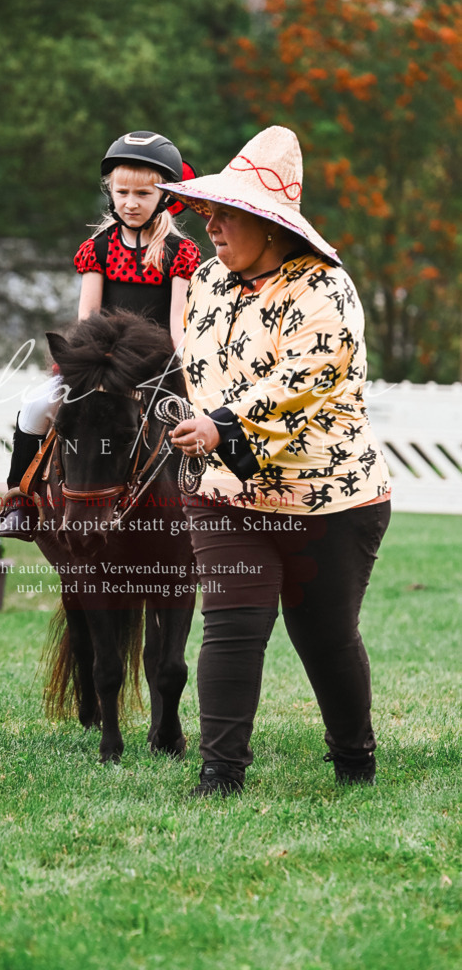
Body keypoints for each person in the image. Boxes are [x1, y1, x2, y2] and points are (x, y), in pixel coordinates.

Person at [159, 125, 391, 796]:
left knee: (325, 635)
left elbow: (304, 381)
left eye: (225, 214)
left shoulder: (325, 289)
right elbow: (198, 371)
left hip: (329, 495)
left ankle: (354, 758)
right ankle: (220, 773)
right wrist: (193, 423)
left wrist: (222, 425)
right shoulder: (207, 280)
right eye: (208, 212)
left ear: (270, 224)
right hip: (225, 490)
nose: (210, 226)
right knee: (232, 624)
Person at [0, 130, 201, 539]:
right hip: (103, 362)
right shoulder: (99, 248)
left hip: (154, 366)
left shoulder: (180, 252)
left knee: (203, 419)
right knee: (35, 406)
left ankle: (219, 502)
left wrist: (189, 372)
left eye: (143, 194)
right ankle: (20, 498)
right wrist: (82, 363)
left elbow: (177, 322)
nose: (131, 202)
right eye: (122, 192)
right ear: (110, 192)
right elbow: (88, 316)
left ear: (164, 197)